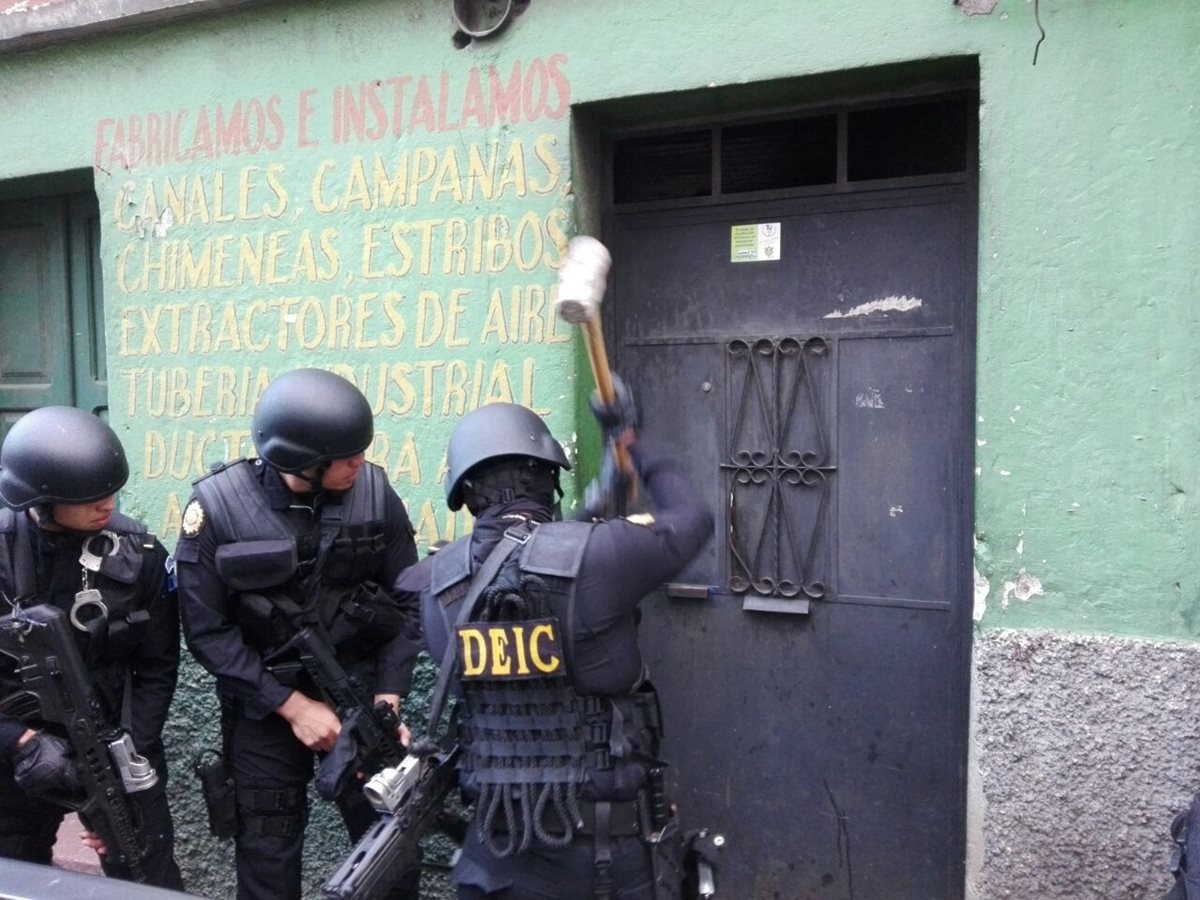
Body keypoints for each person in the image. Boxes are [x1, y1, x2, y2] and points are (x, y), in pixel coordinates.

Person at [393, 387, 714, 900]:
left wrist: (598, 501)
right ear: (547, 479)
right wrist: (632, 439)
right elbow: (692, 519)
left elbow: (523, 566)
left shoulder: (431, 583)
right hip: (600, 860)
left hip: (494, 857)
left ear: (466, 493)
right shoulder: (604, 555)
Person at [175, 367, 421, 900]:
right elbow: (207, 632)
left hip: (360, 700)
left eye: (361, 451)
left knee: (390, 855)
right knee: (268, 858)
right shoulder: (216, 508)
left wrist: (388, 696)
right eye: (346, 457)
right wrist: (291, 706)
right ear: (301, 461)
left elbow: (409, 601)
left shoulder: (375, 494)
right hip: (264, 707)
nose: (360, 463)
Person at [0, 406, 183, 889]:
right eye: (88, 498)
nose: (108, 505)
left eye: (111, 492)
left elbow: (157, 667)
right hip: (14, 748)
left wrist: (129, 758)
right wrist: (19, 741)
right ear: (42, 500)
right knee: (15, 876)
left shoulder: (141, 555)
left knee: (147, 875)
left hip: (112, 743)